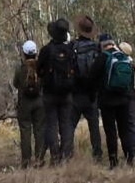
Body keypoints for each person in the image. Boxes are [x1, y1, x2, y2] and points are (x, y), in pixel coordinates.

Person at [36, 18, 77, 164]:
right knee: (66, 124)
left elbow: (38, 69)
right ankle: (65, 156)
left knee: (51, 125)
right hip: (67, 94)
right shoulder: (71, 50)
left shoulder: (46, 50)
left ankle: (55, 157)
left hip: (49, 93)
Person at [96, 35, 135, 168]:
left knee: (111, 132)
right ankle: (130, 157)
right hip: (124, 99)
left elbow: (92, 77)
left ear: (102, 45)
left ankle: (113, 161)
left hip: (107, 101)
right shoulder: (124, 57)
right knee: (124, 129)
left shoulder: (102, 58)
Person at [69, 15, 105, 161]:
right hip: (92, 93)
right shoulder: (97, 47)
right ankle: (97, 154)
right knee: (94, 126)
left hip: (76, 92)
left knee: (70, 126)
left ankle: (67, 154)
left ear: (79, 30)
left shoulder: (72, 47)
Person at [13, 40, 46, 168]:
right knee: (39, 130)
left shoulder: (20, 68)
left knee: (25, 131)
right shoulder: (40, 67)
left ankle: (26, 161)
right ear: (36, 52)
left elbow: (16, 84)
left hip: (24, 103)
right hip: (39, 101)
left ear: (24, 53)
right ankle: (39, 159)